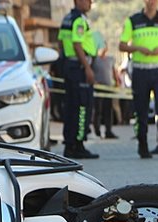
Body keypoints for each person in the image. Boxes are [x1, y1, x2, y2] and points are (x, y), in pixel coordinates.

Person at [118, 0, 158, 159]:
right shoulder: (133, 20)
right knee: (141, 110)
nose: (152, 2)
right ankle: (142, 144)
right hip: (140, 70)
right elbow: (122, 45)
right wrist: (137, 48)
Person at [57, 0, 99, 159]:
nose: (90, 3)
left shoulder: (67, 18)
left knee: (70, 107)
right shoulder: (79, 20)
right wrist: (87, 67)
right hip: (79, 68)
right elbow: (77, 44)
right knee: (82, 107)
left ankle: (69, 145)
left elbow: (61, 42)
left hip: (70, 66)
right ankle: (78, 144)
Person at [91, 46, 118, 140]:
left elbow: (113, 71)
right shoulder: (94, 59)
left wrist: (116, 81)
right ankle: (97, 130)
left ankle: (108, 131)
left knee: (108, 110)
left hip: (108, 87)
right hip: (98, 88)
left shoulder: (110, 59)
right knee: (98, 110)